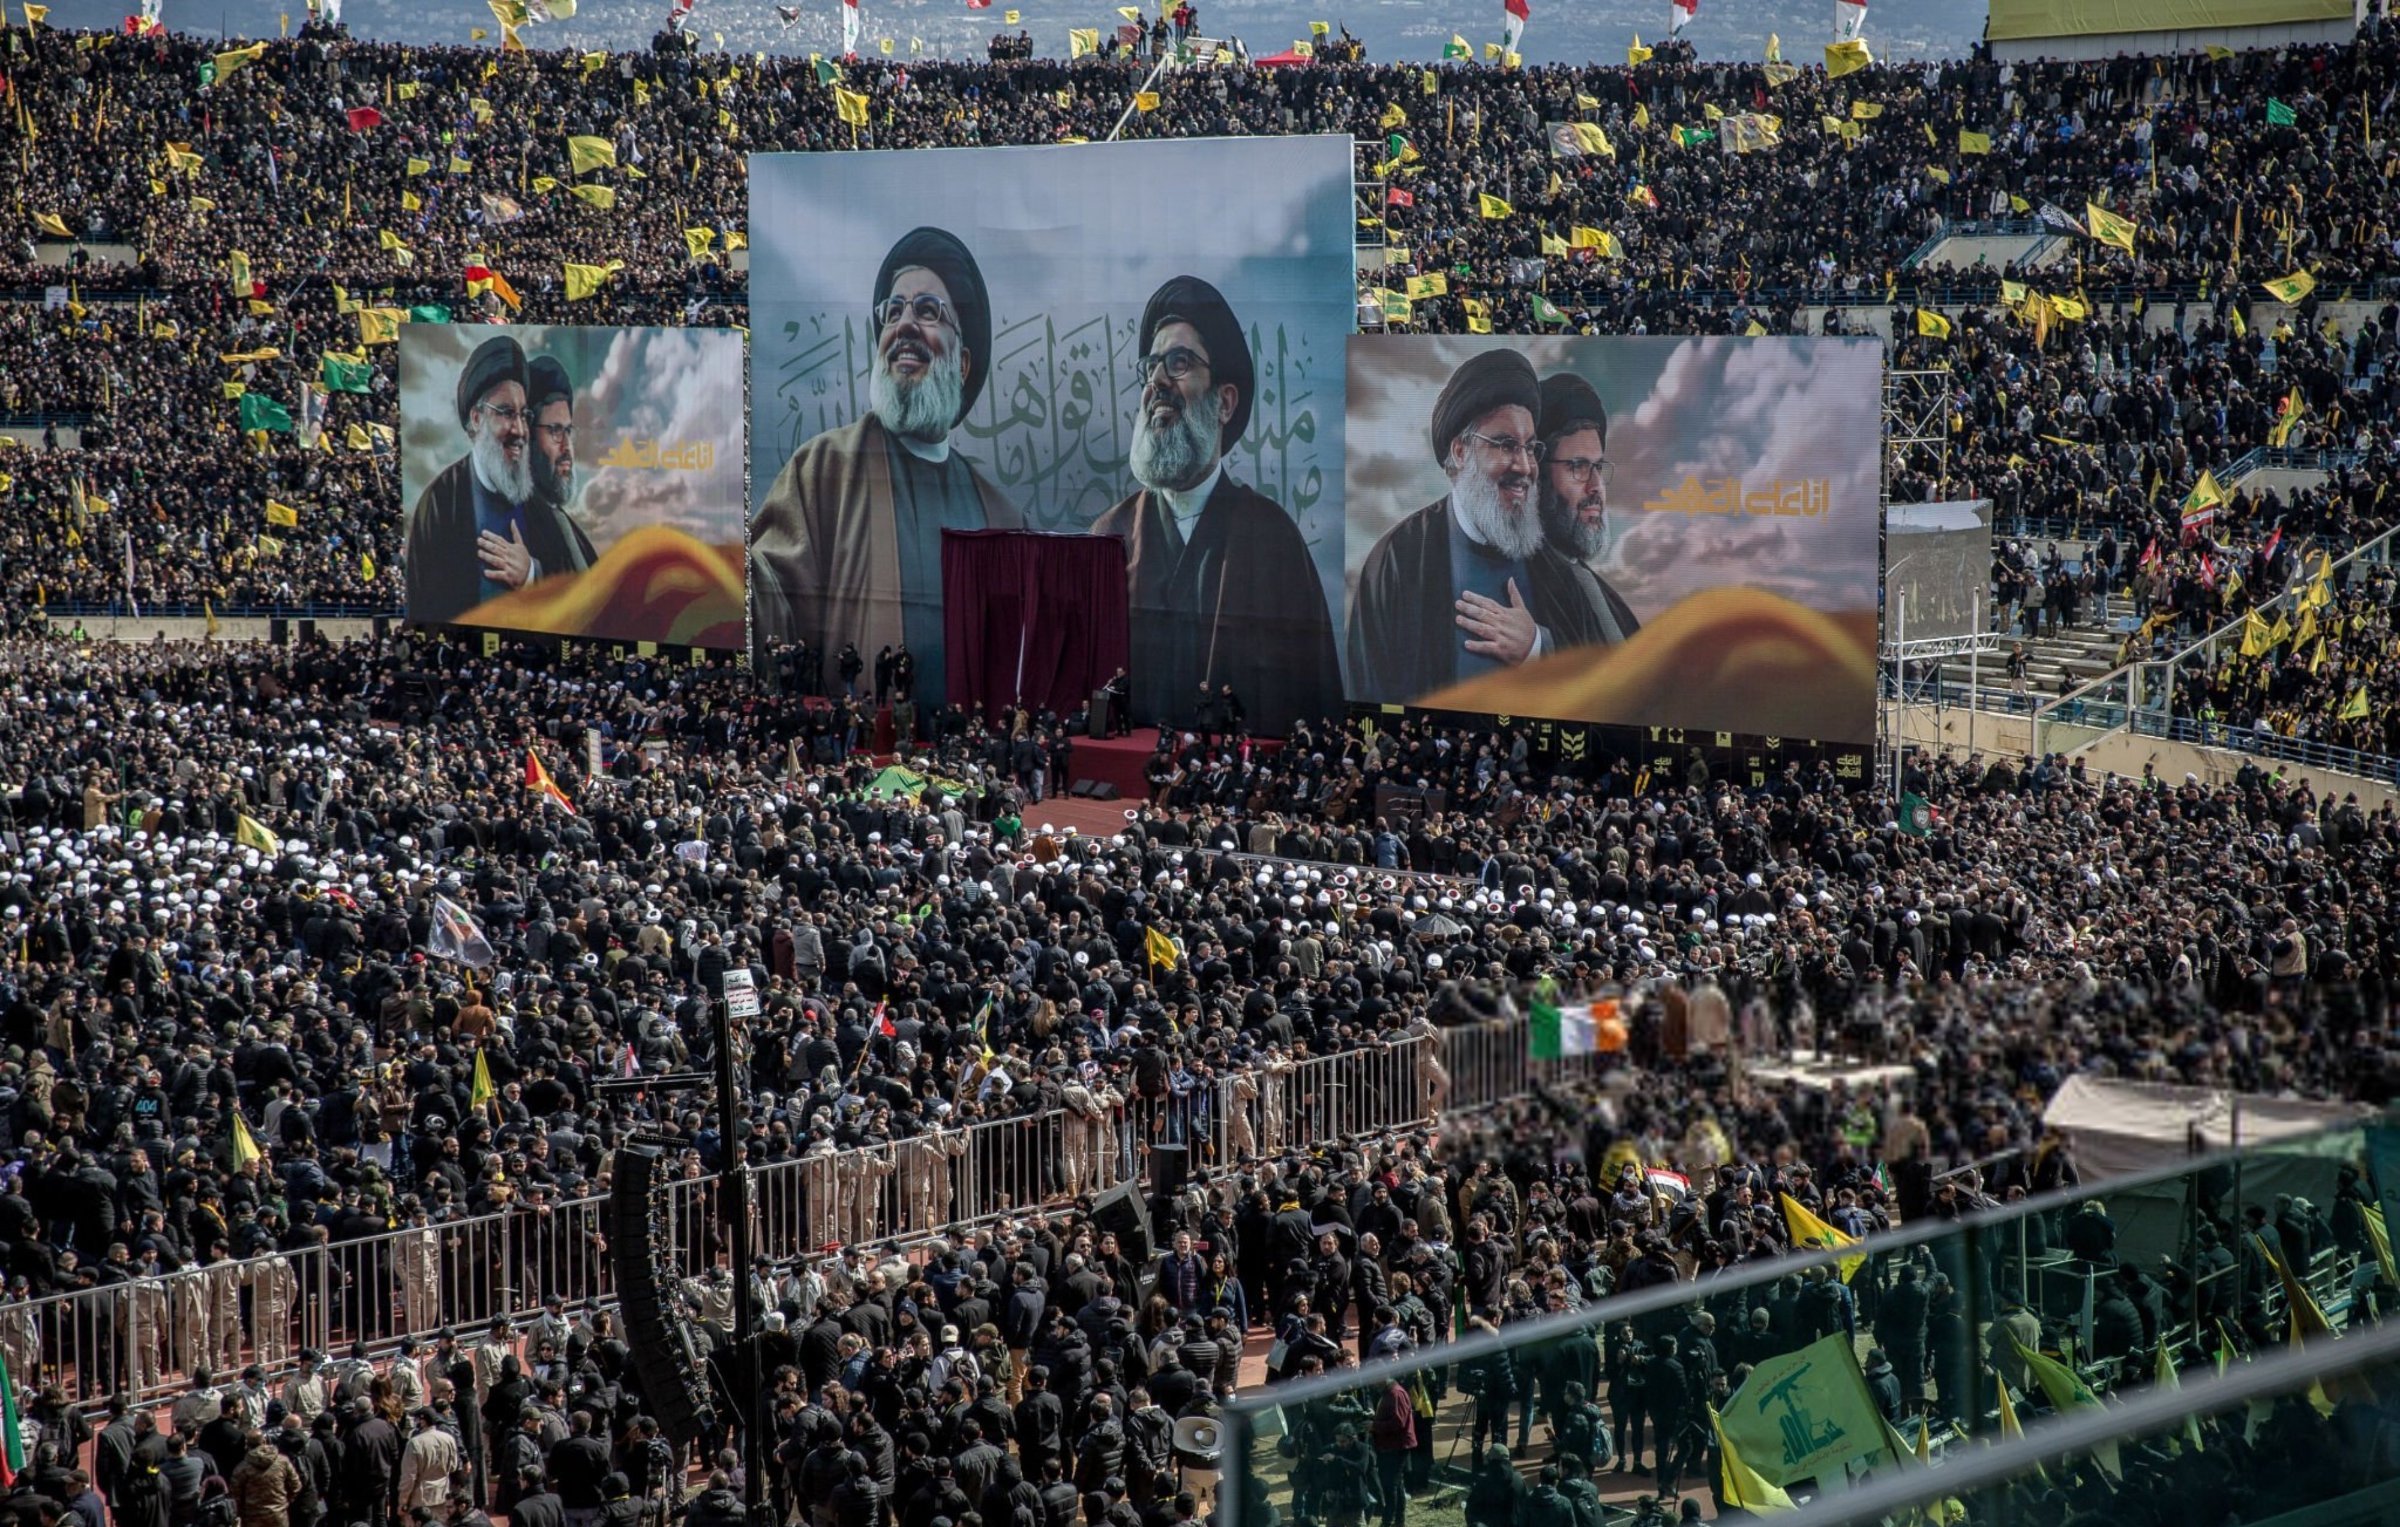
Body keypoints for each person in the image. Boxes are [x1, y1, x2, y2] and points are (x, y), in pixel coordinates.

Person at [750, 226, 1022, 705]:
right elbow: (772, 601)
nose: (904, 326)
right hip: (863, 743)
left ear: (962, 364)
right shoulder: (823, 468)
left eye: (928, 311)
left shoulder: (1000, 513)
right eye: (893, 311)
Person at [1090, 275, 1341, 737]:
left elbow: (1312, 695)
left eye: (1179, 362)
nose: (1158, 382)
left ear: (1224, 402)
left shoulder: (1273, 539)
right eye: (1151, 367)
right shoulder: (1108, 536)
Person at [1347, 349, 1627, 701]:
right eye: (1506, 444)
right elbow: (1370, 691)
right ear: (1461, 451)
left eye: (1530, 447)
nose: (1524, 466)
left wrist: (1537, 648)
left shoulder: (1557, 571)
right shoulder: (1396, 561)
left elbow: (1604, 684)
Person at [405, 335, 552, 624]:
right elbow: (426, 607)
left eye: (524, 414)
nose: (520, 430)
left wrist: (530, 574)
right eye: (507, 413)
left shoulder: (538, 504)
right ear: (476, 418)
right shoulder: (438, 504)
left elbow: (574, 588)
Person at [1531, 372, 1641, 645]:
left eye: (1598, 467)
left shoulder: (1606, 597)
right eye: (1578, 466)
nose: (1595, 486)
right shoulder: (1519, 582)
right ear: (1538, 475)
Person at [521, 355, 600, 581]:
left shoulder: (570, 529)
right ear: (528, 436)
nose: (566, 447)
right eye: (555, 430)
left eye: (568, 431)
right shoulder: (512, 520)